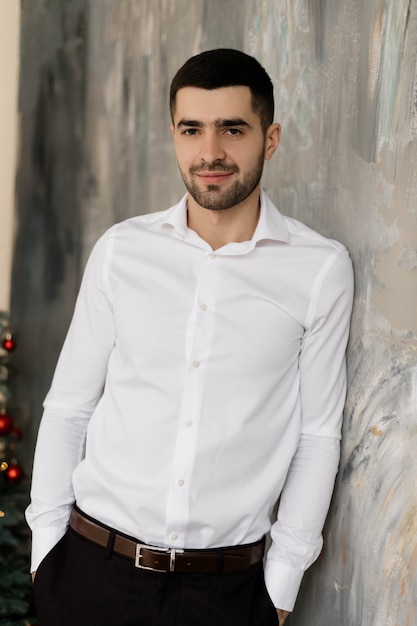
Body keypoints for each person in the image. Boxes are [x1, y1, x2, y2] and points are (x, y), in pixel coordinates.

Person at [26, 48, 354, 626]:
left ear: (270, 138)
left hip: (226, 597)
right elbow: (70, 407)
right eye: (191, 129)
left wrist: (280, 586)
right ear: (174, 136)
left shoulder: (320, 269)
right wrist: (47, 551)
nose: (210, 153)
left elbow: (317, 435)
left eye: (233, 129)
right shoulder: (121, 252)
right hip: (89, 576)